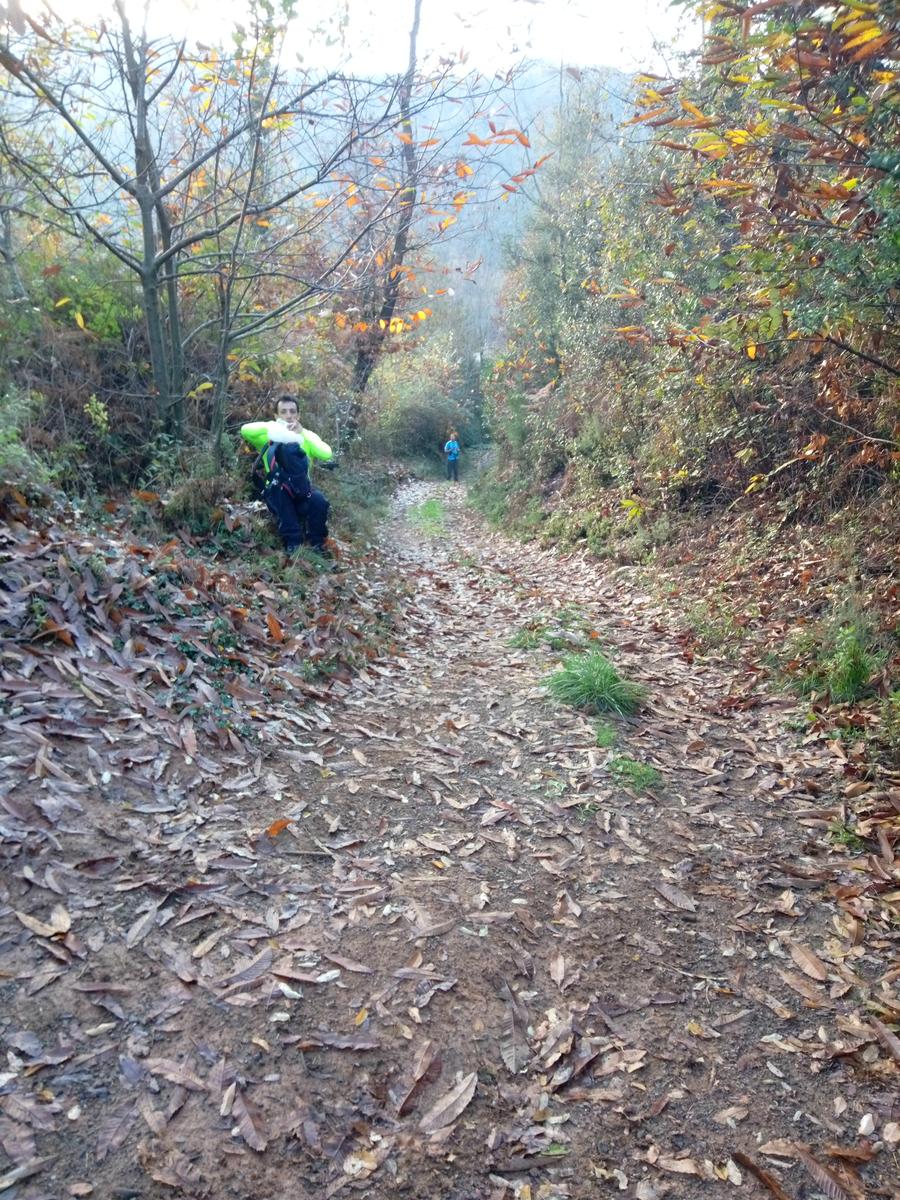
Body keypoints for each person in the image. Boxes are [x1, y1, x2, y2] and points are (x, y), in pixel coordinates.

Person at [240, 395, 334, 553]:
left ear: (298, 415)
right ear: (276, 416)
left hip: (302, 492)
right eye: (283, 412)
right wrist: (274, 428)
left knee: (319, 501)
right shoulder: (267, 436)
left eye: (292, 411)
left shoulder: (307, 436)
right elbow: (245, 430)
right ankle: (293, 543)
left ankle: (317, 543)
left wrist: (301, 434)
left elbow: (326, 453)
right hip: (277, 495)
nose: (288, 415)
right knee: (280, 490)